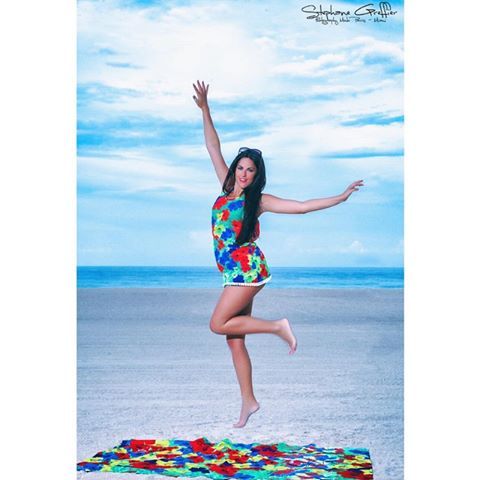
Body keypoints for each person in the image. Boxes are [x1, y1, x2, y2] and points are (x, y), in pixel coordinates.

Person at [192, 80, 364, 428]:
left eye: (250, 170)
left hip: (248, 271)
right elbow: (212, 146)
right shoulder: (226, 188)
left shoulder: (258, 201)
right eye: (240, 168)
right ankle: (248, 401)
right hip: (233, 272)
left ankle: (277, 327)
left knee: (217, 324)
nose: (243, 174)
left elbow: (301, 206)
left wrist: (340, 197)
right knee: (234, 339)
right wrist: (205, 108)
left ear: (257, 176)